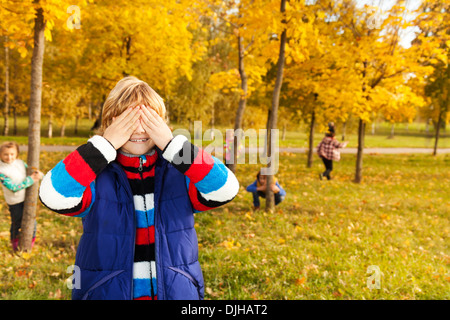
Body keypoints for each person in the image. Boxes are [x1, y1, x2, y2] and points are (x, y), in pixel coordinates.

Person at [39, 76, 239, 300]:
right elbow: (53, 194)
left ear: (162, 124)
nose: (139, 129)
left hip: (176, 293)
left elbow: (226, 188)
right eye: (128, 119)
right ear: (109, 124)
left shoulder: (182, 171)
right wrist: (104, 145)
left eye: (148, 119)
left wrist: (173, 144)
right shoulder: (94, 174)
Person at [0, 141, 43, 251]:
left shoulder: (20, 163)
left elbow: (31, 172)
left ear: (16, 154)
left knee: (32, 222)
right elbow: (13, 187)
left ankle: (29, 247)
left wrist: (38, 175)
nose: (9, 157)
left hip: (27, 198)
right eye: (5, 154)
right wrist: (31, 180)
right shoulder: (1, 170)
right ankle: (15, 246)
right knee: (17, 223)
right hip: (15, 202)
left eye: (12, 154)